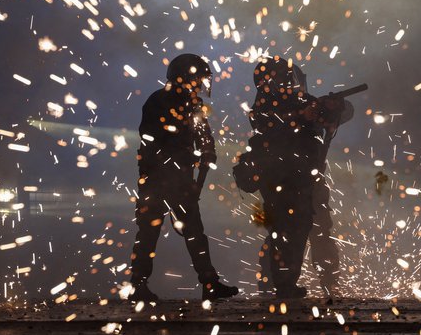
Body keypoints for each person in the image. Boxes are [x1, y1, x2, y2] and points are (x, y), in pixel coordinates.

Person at [129, 53, 239, 302]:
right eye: (198, 78)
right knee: (148, 233)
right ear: (185, 77)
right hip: (157, 179)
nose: (200, 84)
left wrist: (208, 149)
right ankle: (138, 286)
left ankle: (210, 283)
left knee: (194, 233)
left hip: (180, 180)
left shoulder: (194, 103)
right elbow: (151, 136)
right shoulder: (158, 100)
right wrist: (181, 150)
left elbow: (202, 131)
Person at [254, 62, 354, 297]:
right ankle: (273, 284)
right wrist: (301, 115)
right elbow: (270, 125)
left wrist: (335, 107)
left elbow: (342, 111)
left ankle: (329, 283)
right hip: (279, 179)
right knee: (281, 232)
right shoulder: (266, 106)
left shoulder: (306, 102)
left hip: (310, 179)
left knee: (319, 230)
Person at [247, 56, 322, 298]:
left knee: (301, 226)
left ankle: (288, 282)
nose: (290, 82)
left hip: (301, 175)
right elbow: (273, 130)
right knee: (282, 227)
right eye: (285, 78)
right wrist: (302, 117)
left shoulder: (300, 100)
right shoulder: (263, 105)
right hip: (275, 175)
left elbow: (323, 114)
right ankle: (281, 283)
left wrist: (329, 110)